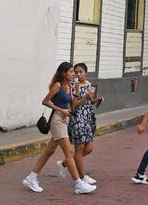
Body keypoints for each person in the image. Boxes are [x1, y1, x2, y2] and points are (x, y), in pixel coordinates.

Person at [22, 62, 96, 195]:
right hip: (57, 121)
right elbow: (45, 101)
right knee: (70, 154)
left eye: (74, 72)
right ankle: (79, 184)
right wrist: (60, 109)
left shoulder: (71, 86)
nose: (74, 74)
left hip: (65, 120)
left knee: (49, 151)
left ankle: (31, 177)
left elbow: (73, 106)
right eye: (71, 72)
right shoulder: (58, 85)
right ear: (64, 73)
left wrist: (79, 93)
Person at [58, 63, 98, 186]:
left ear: (86, 73)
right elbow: (74, 106)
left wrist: (96, 100)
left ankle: (65, 163)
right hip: (77, 119)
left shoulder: (89, 84)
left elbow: (90, 102)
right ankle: (82, 177)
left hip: (88, 118)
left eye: (81, 72)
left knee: (89, 148)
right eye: (76, 72)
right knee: (79, 149)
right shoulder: (74, 86)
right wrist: (85, 97)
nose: (78, 74)